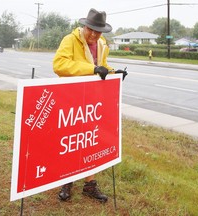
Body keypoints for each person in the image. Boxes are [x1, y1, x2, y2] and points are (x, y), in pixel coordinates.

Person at [53, 8, 127, 203]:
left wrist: (114, 72)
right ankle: (67, 182)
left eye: (98, 31)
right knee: (72, 140)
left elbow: (101, 66)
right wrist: (92, 68)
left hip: (92, 100)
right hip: (72, 99)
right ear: (84, 26)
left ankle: (89, 185)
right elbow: (59, 65)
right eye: (91, 29)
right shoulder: (70, 40)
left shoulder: (102, 43)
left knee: (91, 140)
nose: (94, 34)